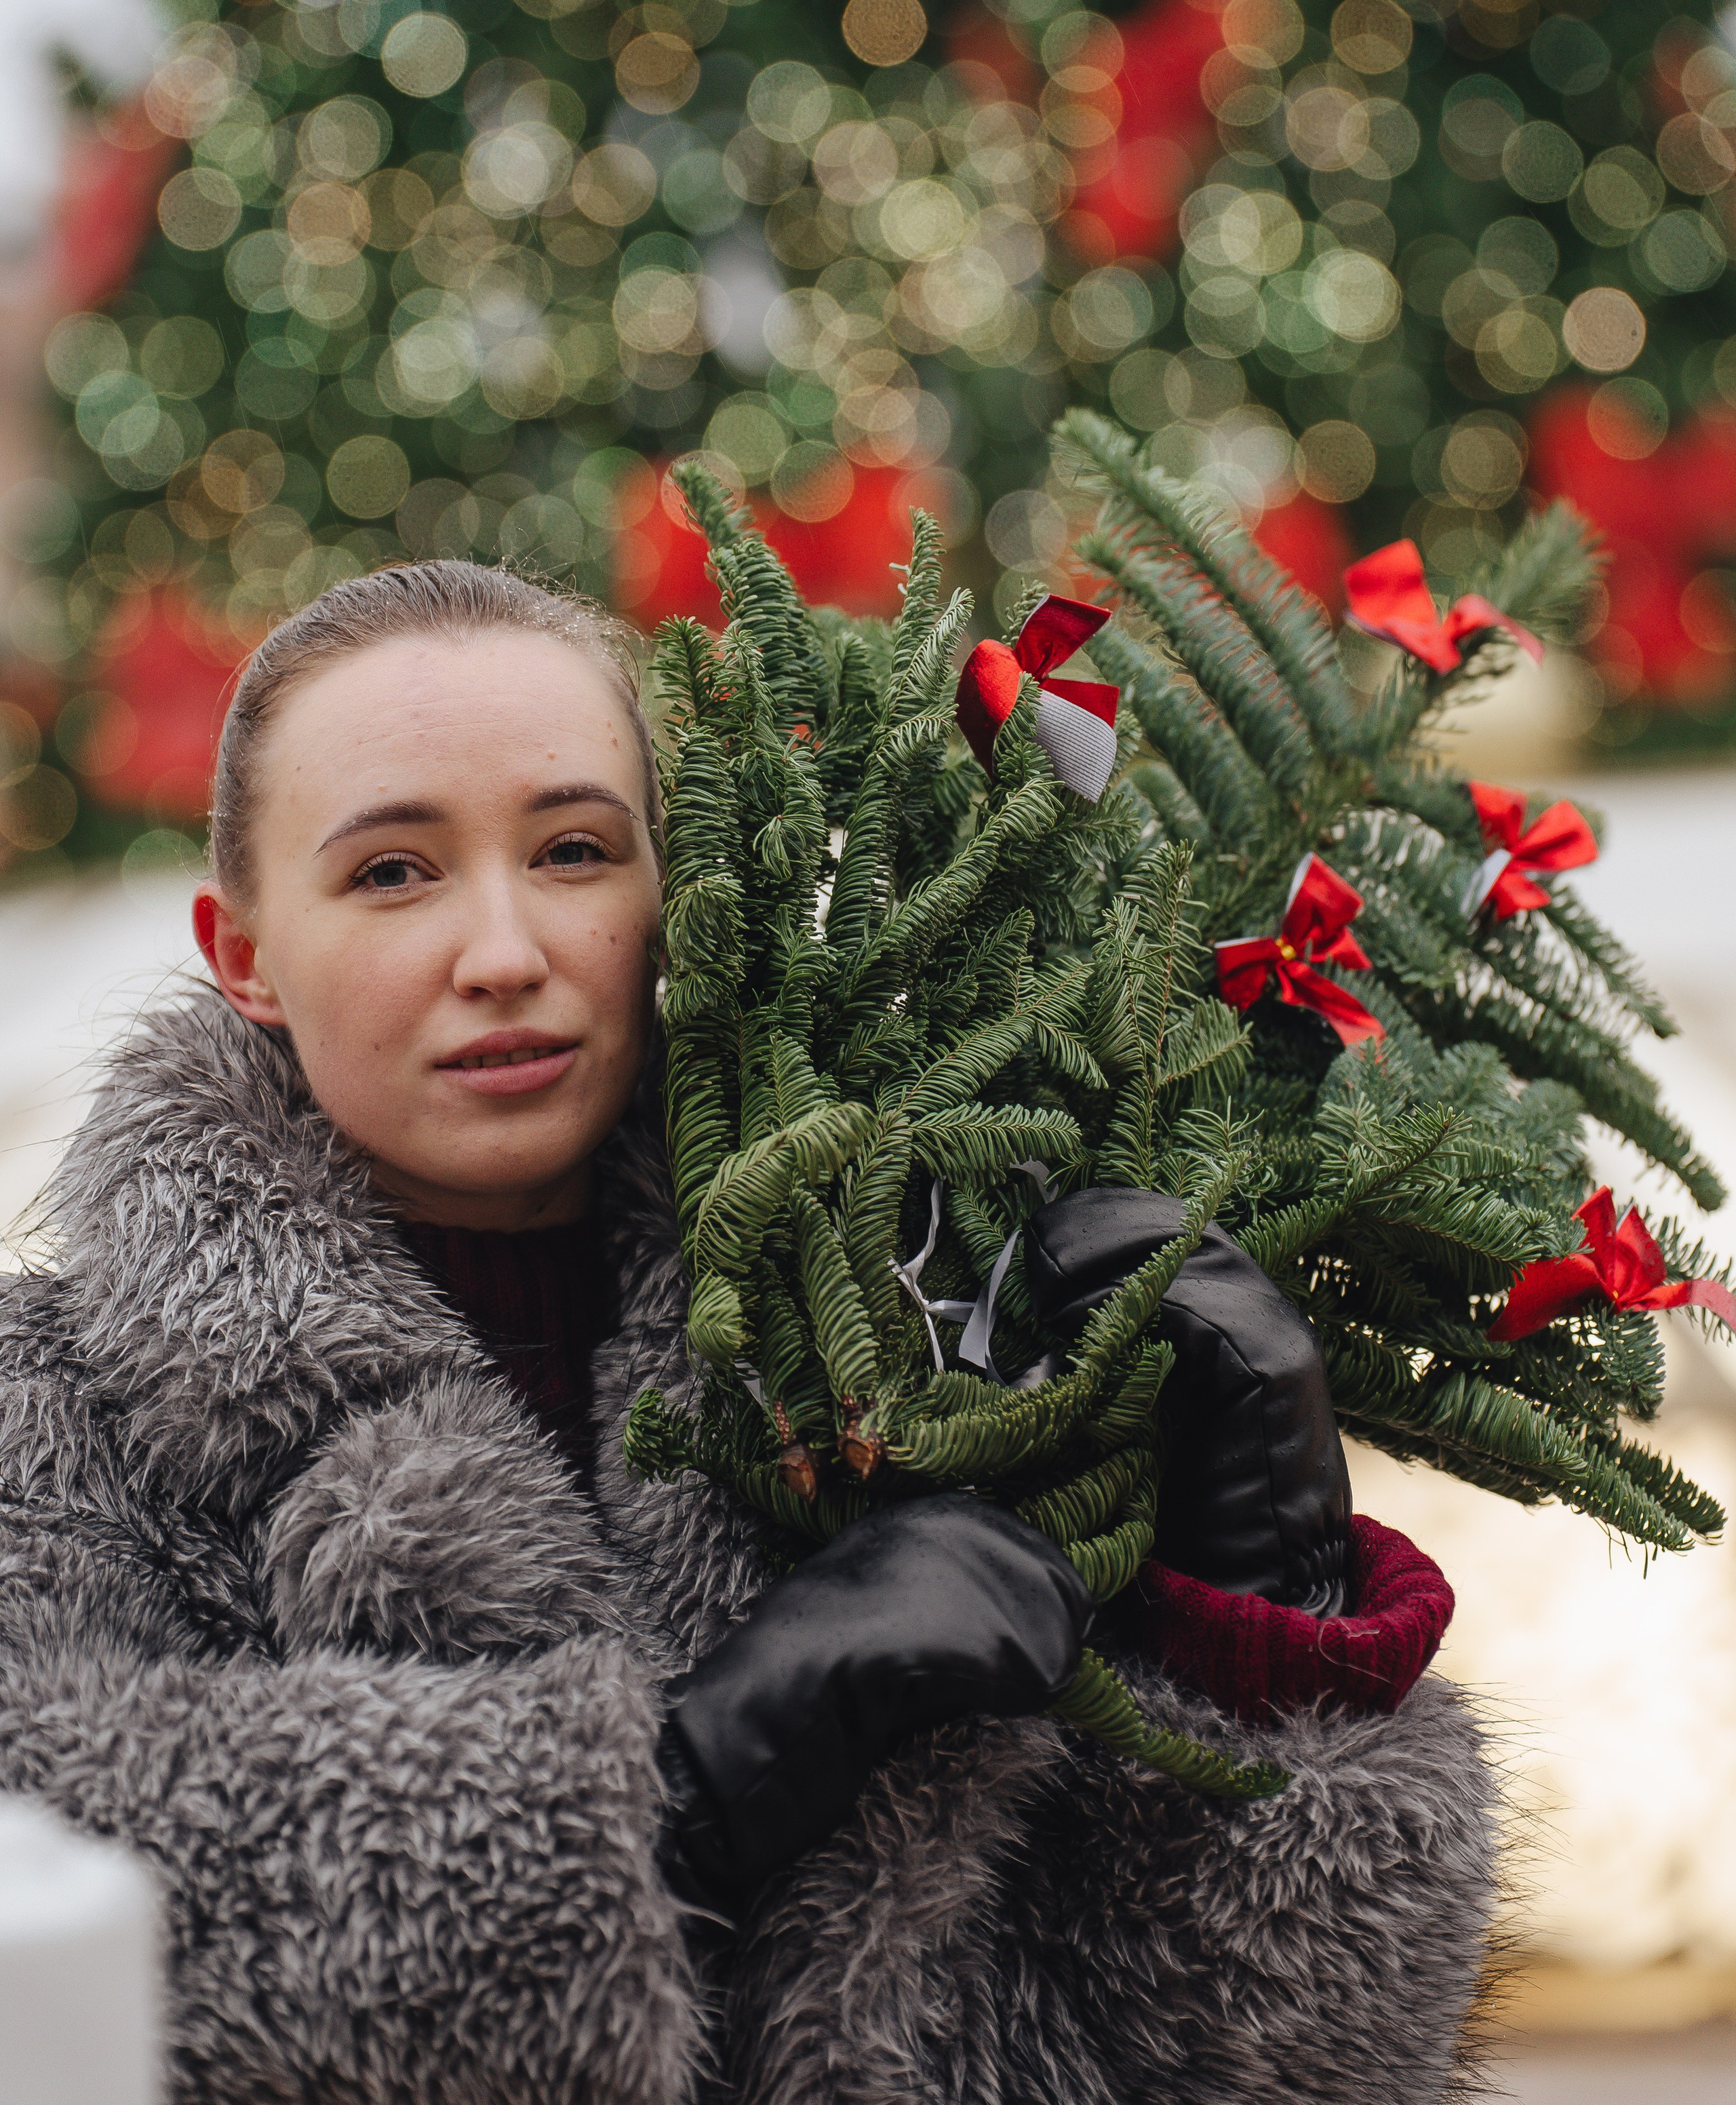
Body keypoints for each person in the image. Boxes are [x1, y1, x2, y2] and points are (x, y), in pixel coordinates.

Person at [0, 562, 1495, 2104]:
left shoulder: (909, 1352)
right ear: (242, 951)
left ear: (674, 894)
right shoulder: (50, 1420)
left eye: (575, 850)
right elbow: (72, 1948)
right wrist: (688, 1786)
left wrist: (1268, 1616)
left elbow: (1256, 2055)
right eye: (392, 873)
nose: (504, 949)